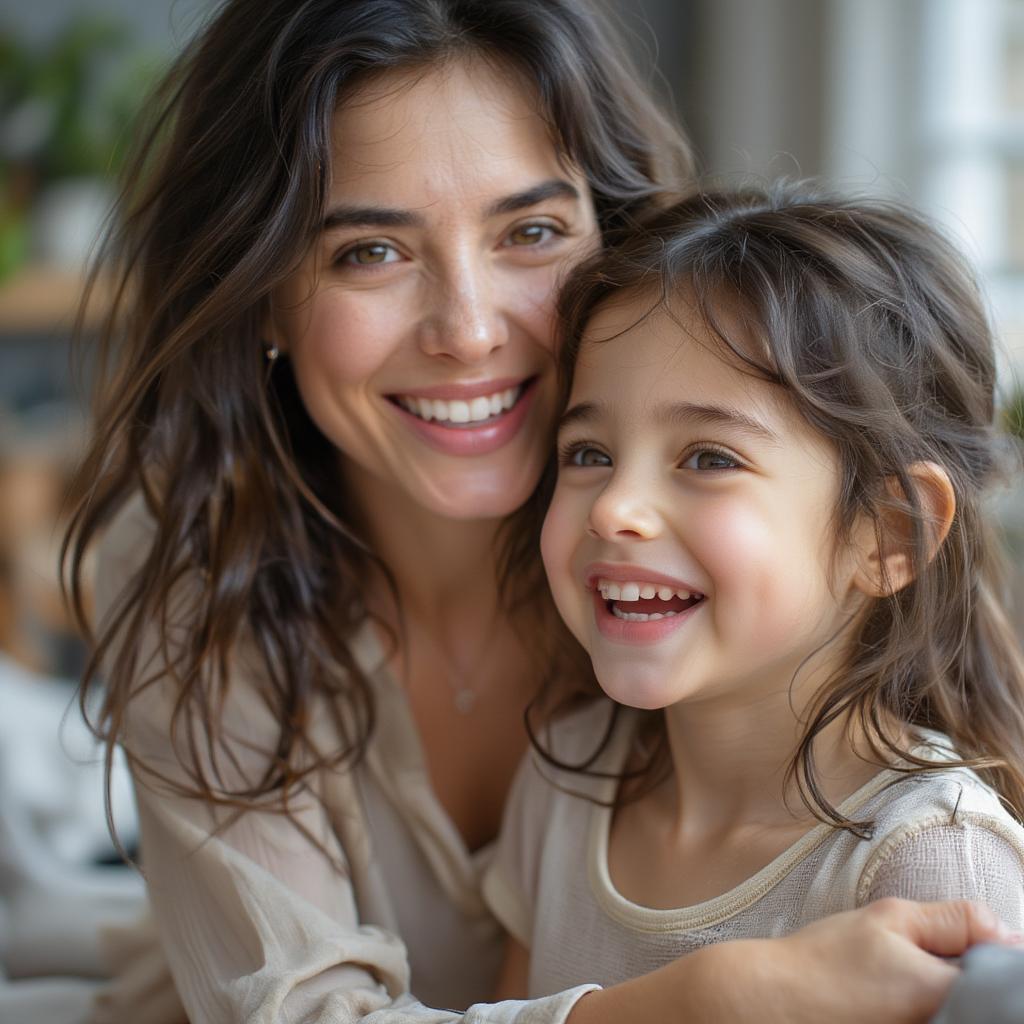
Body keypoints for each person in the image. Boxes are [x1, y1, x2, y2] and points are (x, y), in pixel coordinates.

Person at [60, 2, 1008, 1021]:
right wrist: (710, 999)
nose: (466, 330)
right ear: (262, 295)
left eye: (533, 231)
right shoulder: (202, 569)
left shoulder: (760, 605)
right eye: (369, 252)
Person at [486, 182, 1024, 999]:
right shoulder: (562, 791)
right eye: (588, 451)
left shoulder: (930, 858)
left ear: (889, 534)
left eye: (708, 457)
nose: (616, 507)